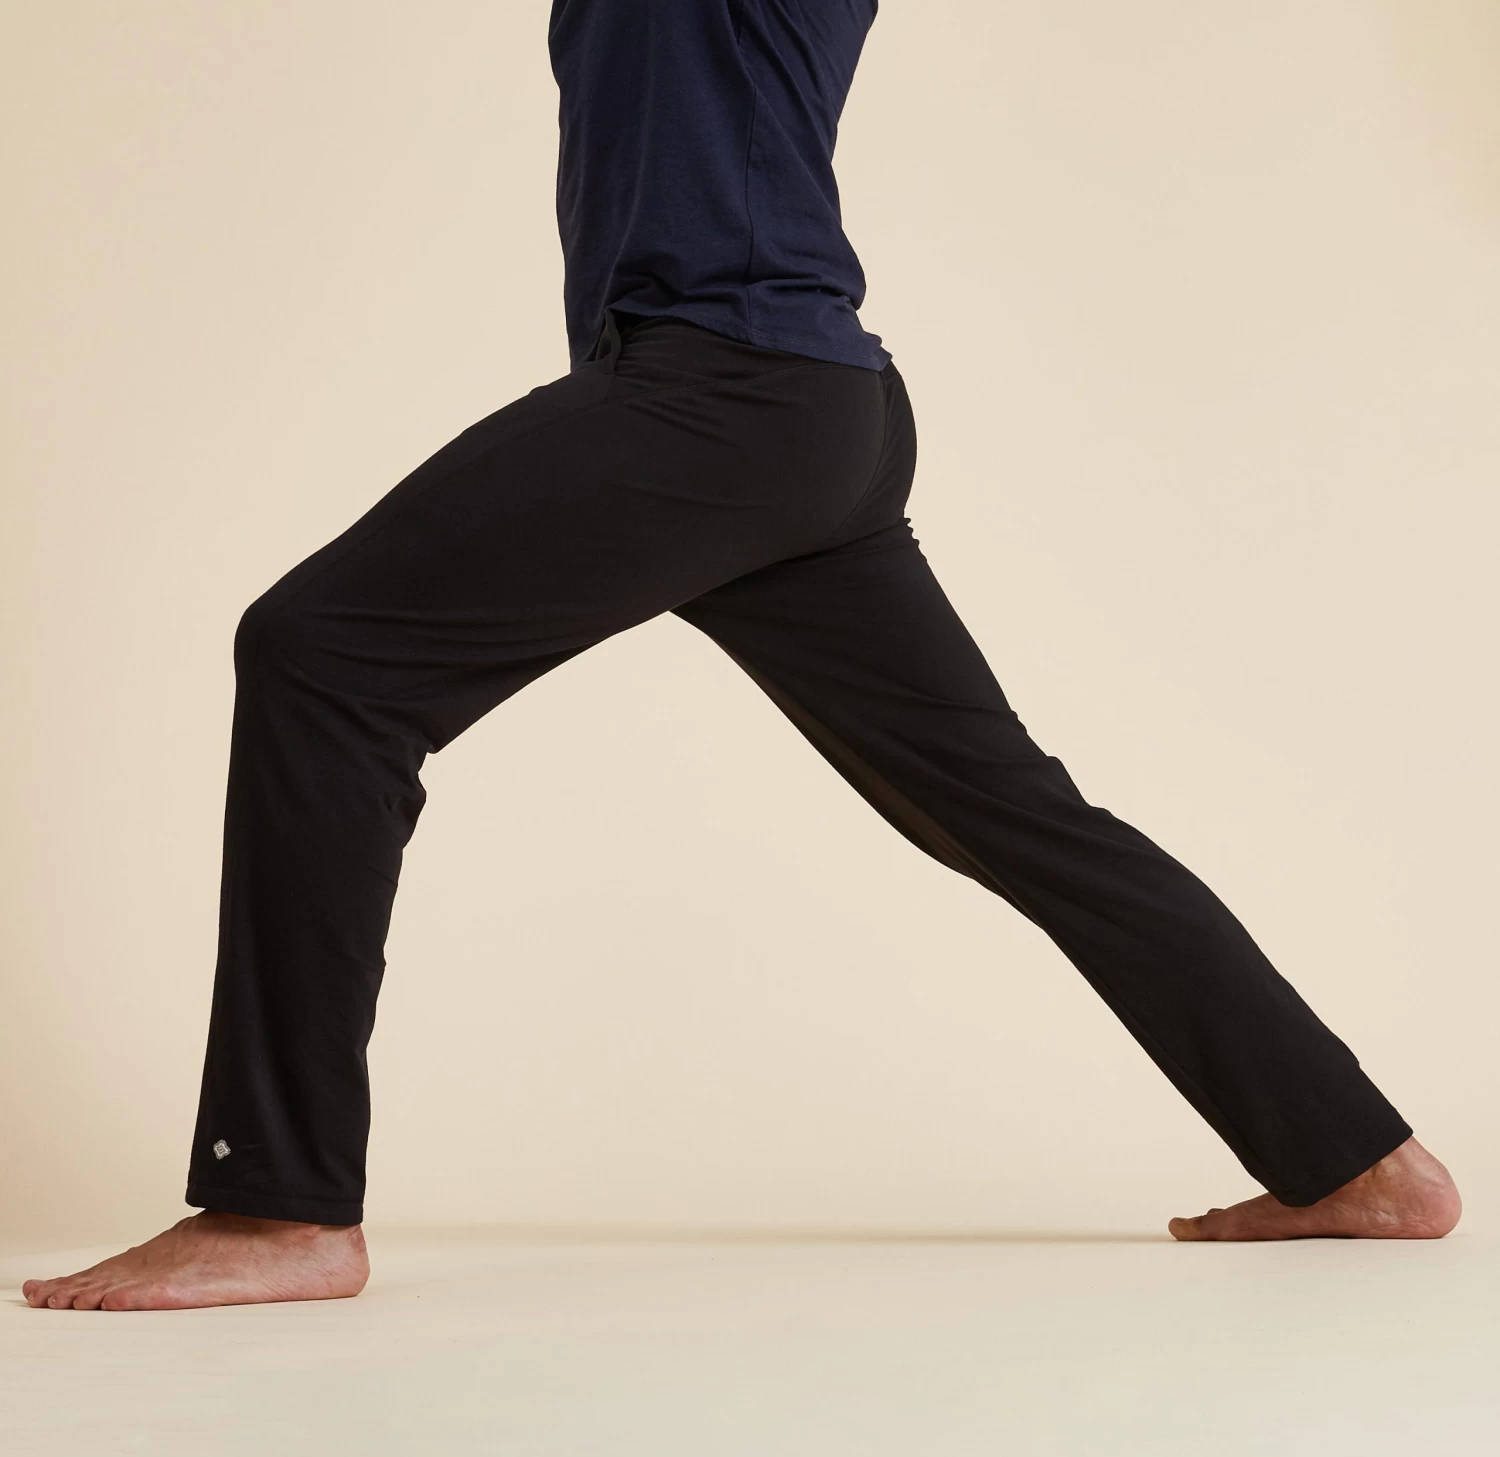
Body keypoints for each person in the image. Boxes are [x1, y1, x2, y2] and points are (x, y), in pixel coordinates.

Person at [24, 0, 1458, 1314]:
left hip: (725, 392)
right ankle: (1359, 1160)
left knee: (322, 655)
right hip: (796, 405)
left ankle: (280, 1202)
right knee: (1014, 813)